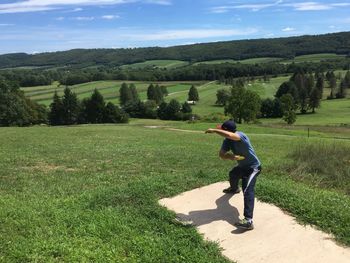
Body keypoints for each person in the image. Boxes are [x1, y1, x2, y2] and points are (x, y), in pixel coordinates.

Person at [205, 119, 261, 230]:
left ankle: (248, 221)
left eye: (221, 129)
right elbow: (221, 155)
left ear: (225, 130)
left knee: (247, 189)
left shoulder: (240, 135)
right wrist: (230, 157)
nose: (220, 130)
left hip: (253, 167)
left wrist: (214, 130)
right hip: (242, 167)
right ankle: (234, 189)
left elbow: (231, 135)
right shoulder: (227, 141)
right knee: (233, 174)